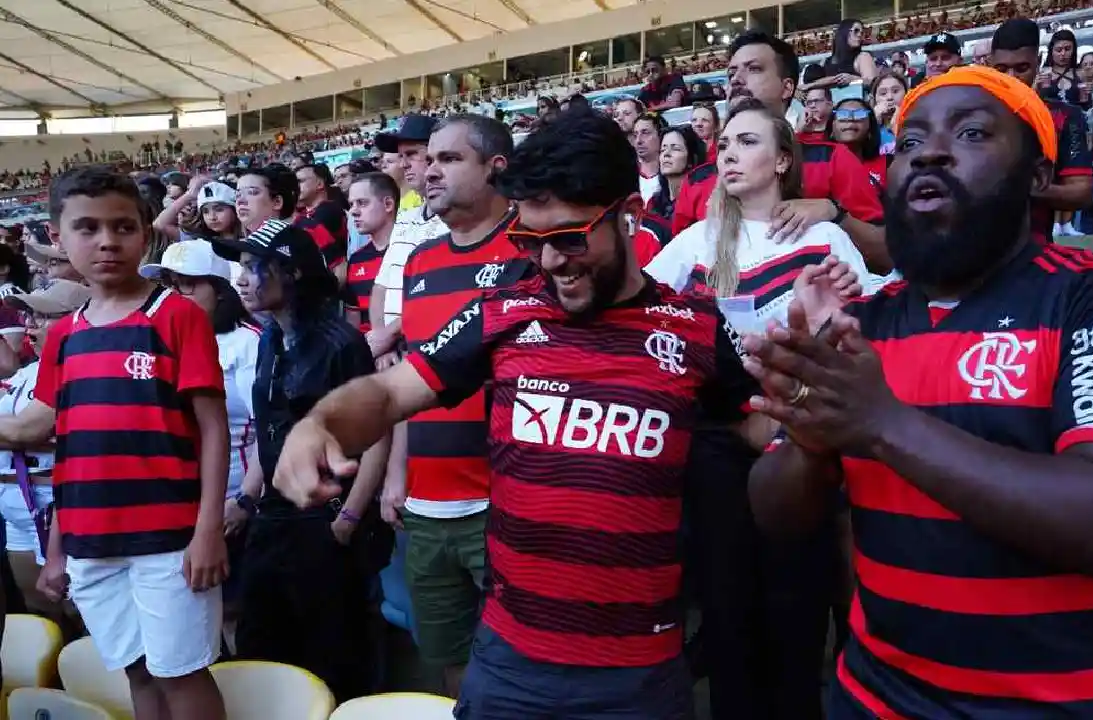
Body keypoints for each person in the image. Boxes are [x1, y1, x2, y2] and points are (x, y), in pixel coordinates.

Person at [270, 107, 789, 719]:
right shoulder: (505, 312)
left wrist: (801, 408)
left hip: (638, 678)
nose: (549, 262)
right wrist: (320, 424)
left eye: (569, 238)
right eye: (530, 241)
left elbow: (762, 429)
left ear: (626, 214)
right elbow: (388, 394)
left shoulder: (698, 332)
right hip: (509, 666)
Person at [745, 65, 1093, 720]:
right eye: (908, 143)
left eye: (971, 132)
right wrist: (810, 444)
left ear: (1040, 177)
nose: (929, 151)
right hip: (872, 698)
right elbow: (779, 517)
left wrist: (882, 424)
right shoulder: (863, 326)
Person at [646, 98, 869, 720]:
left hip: (803, 443)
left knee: (796, 607)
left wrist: (836, 311)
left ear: (783, 161)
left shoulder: (825, 237)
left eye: (747, 143)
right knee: (726, 609)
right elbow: (644, 319)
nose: (729, 155)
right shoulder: (691, 243)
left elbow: (861, 333)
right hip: (716, 447)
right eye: (725, 145)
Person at [0, 166, 229, 720]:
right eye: (88, 228)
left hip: (169, 541)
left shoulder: (177, 317)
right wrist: (57, 549)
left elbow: (213, 429)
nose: (106, 240)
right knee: (137, 672)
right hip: (89, 543)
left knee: (182, 676)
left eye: (123, 227)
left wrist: (207, 532)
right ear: (58, 236)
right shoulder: (63, 335)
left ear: (145, 232)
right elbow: (61, 441)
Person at [381, 114, 524, 699]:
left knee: (518, 664)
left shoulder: (530, 250)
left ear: (495, 168)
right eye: (427, 159)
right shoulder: (418, 262)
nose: (428, 171)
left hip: (505, 503)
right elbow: (413, 379)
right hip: (425, 506)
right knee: (449, 667)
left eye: (448, 160)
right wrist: (396, 475)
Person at [212, 219, 384, 702]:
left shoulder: (340, 344)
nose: (241, 280)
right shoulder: (268, 338)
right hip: (274, 518)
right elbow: (278, 432)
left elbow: (376, 437)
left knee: (333, 655)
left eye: (253, 267)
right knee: (263, 646)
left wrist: (348, 521)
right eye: (240, 267)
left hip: (327, 522)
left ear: (291, 273)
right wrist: (246, 497)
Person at [673, 31, 887, 273]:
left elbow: (884, 258)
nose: (736, 80)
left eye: (753, 69)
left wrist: (835, 214)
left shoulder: (832, 160)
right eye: (731, 73)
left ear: (787, 88)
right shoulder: (697, 179)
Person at [138, 240, 261, 651]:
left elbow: (269, 431)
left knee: (233, 614)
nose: (176, 295)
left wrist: (244, 500)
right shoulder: (153, 343)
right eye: (169, 284)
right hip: (173, 508)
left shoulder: (248, 345)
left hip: (233, 506)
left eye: (188, 284)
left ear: (220, 289)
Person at [0, 280, 90, 634]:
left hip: (58, 505)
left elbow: (27, 430)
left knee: (81, 611)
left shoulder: (81, 366)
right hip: (14, 506)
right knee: (38, 614)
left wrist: (17, 431)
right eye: (30, 315)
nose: (31, 326)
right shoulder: (26, 373)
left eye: (43, 316)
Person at [989, 18, 1093, 242]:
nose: (1011, 78)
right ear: (990, 64)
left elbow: (1082, 192)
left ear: (1037, 62)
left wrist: (1019, 186)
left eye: (1021, 68)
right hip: (973, 254)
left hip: (1034, 249)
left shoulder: (1064, 116)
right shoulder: (969, 114)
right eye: (1001, 69)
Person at [370, 115, 449, 366]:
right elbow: (381, 287)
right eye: (401, 156)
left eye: (412, 154)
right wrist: (382, 344)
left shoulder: (456, 221)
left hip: (433, 353)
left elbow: (441, 292)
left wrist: (388, 334)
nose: (403, 164)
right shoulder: (404, 217)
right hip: (393, 354)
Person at [344, 172, 399, 333]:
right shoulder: (356, 260)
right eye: (351, 204)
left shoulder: (413, 251)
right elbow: (353, 321)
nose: (353, 211)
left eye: (362, 203)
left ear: (388, 204)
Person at [647, 126, 707, 226]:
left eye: (675, 149)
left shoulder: (702, 202)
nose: (666, 154)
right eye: (663, 149)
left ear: (691, 159)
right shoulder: (654, 203)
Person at [804, 18, 877, 91]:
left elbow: (874, 83)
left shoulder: (863, 57)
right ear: (844, 32)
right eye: (856, 31)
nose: (859, 35)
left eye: (862, 33)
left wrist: (854, 79)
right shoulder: (825, 61)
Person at [830, 98, 889, 188]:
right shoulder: (820, 168)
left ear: (870, 127)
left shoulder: (888, 164)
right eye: (842, 115)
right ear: (832, 128)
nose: (850, 119)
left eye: (859, 115)